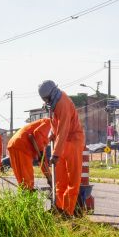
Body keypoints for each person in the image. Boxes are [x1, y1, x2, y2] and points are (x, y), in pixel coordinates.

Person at [38, 80, 85, 216]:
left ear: (51, 94)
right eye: (44, 99)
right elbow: (57, 127)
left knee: (72, 182)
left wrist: (56, 154)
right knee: (60, 182)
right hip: (61, 143)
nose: (45, 101)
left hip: (73, 141)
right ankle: (58, 209)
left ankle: (67, 213)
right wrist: (52, 132)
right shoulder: (54, 103)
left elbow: (64, 129)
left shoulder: (63, 103)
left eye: (46, 98)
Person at [6, 118, 51, 190]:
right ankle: (29, 195)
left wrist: (48, 176)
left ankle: (25, 196)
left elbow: (42, 160)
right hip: (22, 145)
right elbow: (37, 134)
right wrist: (41, 151)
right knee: (27, 180)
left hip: (14, 144)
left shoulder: (46, 129)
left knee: (22, 180)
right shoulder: (49, 122)